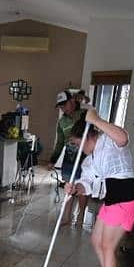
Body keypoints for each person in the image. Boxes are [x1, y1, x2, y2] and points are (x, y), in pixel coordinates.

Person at [66, 108, 134, 267]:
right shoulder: (89, 160)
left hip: (126, 198)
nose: (78, 148)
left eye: (77, 143)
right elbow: (87, 184)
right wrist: (75, 188)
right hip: (112, 200)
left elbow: (123, 138)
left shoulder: (109, 140)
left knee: (108, 245)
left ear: (87, 136)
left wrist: (96, 120)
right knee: (96, 240)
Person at [48, 90, 86, 225]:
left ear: (71, 101)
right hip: (69, 158)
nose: (63, 108)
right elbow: (59, 143)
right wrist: (53, 160)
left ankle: (81, 217)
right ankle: (67, 217)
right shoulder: (62, 122)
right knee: (69, 188)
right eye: (61, 106)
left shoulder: (83, 115)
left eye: (65, 105)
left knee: (82, 188)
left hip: (84, 158)